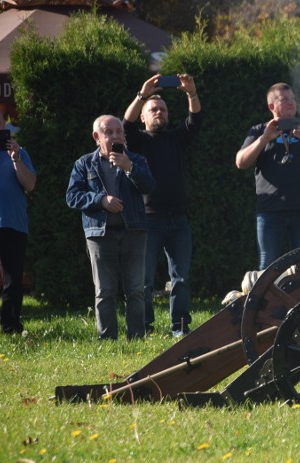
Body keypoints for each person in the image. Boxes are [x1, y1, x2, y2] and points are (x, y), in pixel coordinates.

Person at [123, 73, 202, 337]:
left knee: (180, 279)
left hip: (178, 219)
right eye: (153, 110)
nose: (159, 112)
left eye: (163, 109)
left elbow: (195, 121)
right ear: (144, 117)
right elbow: (126, 124)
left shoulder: (176, 139)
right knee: (144, 280)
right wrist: (142, 95)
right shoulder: (138, 141)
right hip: (148, 219)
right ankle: (144, 328)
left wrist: (191, 93)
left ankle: (179, 328)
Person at [66, 115, 155, 340]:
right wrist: (100, 200)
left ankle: (136, 338)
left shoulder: (136, 159)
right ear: (97, 137)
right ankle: (107, 340)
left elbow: (149, 186)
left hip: (134, 230)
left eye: (119, 131)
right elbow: (72, 196)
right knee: (104, 291)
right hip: (99, 233)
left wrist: (129, 167)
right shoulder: (83, 164)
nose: (115, 136)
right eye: (109, 132)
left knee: (136, 289)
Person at [235, 82, 300, 270]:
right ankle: (270, 301)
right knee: (268, 267)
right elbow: (240, 162)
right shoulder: (259, 130)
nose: (291, 104)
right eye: (284, 100)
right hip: (270, 212)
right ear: (271, 106)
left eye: (293, 99)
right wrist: (264, 139)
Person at [0, 108, 36, 334]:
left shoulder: (21, 153)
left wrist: (16, 159)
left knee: (13, 279)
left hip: (13, 222)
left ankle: (10, 326)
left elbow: (29, 185)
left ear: (5, 126)